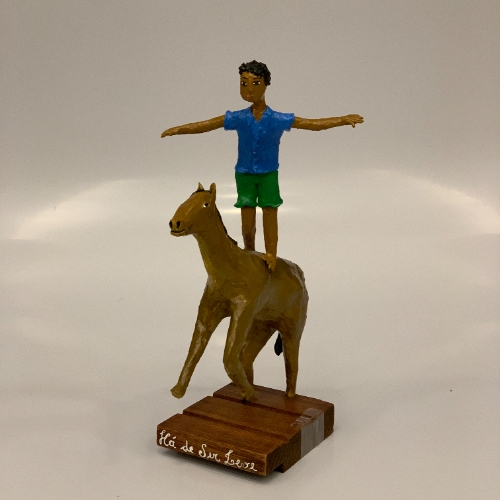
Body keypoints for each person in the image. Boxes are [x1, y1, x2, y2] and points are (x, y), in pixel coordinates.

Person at [161, 60, 363, 271]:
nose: (249, 89)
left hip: (268, 174)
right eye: (243, 83)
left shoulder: (277, 118)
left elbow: (311, 124)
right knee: (247, 215)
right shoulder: (238, 117)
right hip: (244, 174)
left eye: (255, 83)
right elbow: (207, 125)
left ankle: (271, 254)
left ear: (266, 84)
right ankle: (249, 251)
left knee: (269, 212)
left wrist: (342, 119)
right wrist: (179, 129)